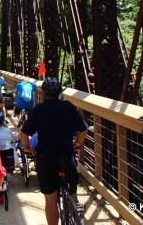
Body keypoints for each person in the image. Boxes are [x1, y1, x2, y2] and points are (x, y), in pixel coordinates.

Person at [20, 77, 88, 225]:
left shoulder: (38, 109)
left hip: (45, 158)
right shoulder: (68, 107)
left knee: (50, 199)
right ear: (59, 92)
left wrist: (27, 148)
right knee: (72, 193)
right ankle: (77, 218)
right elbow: (84, 129)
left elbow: (24, 133)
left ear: (44, 92)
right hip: (66, 156)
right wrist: (76, 143)